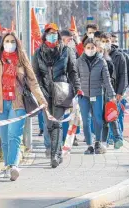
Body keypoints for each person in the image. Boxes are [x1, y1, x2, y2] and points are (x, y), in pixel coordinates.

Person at [0, 32, 47, 180]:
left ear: (17, 43)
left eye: (12, 41)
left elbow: (33, 82)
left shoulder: (22, 59)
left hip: (18, 103)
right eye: (7, 41)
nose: (9, 43)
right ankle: (7, 166)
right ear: (2, 43)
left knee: (14, 135)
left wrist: (42, 100)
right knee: (4, 138)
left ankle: (13, 166)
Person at [33, 23, 81, 168]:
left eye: (54, 33)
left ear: (58, 35)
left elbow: (73, 71)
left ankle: (54, 156)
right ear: (45, 35)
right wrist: (39, 91)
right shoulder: (38, 53)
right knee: (49, 125)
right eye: (49, 33)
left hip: (61, 90)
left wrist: (77, 88)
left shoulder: (66, 51)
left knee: (57, 123)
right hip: (45, 92)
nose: (52, 35)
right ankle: (58, 152)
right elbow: (36, 74)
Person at [75, 38, 116, 154]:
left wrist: (112, 94)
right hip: (83, 96)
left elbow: (107, 79)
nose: (90, 50)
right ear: (84, 48)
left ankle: (98, 142)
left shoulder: (101, 61)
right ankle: (89, 145)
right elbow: (74, 78)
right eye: (88, 47)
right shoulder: (79, 61)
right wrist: (76, 91)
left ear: (96, 48)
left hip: (97, 94)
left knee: (98, 119)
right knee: (86, 121)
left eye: (92, 47)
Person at [97, 43, 123, 149]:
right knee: (108, 118)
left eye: (100, 50)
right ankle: (110, 140)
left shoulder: (106, 61)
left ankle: (114, 139)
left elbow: (111, 78)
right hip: (104, 92)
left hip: (106, 93)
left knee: (109, 117)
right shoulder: (105, 60)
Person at [100, 33, 127, 134]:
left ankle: (117, 137)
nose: (105, 43)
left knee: (113, 115)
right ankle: (106, 141)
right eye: (103, 41)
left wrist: (120, 92)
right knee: (104, 118)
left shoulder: (119, 56)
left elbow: (123, 75)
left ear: (111, 41)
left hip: (114, 91)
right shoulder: (98, 55)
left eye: (107, 41)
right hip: (101, 92)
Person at [111, 34, 129, 132]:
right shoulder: (104, 54)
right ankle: (112, 136)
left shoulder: (124, 56)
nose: (113, 43)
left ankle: (119, 135)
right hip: (110, 89)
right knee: (110, 114)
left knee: (119, 114)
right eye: (111, 40)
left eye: (115, 40)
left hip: (121, 89)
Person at [61, 30, 81, 146]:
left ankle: (74, 136)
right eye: (69, 39)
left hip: (74, 86)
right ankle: (65, 137)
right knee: (65, 114)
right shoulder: (59, 52)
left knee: (75, 114)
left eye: (72, 39)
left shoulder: (74, 51)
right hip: (63, 87)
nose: (71, 41)